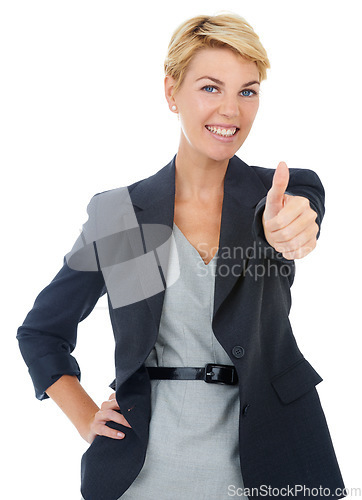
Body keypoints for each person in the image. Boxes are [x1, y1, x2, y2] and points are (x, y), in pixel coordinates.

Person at [17, 13, 346, 500]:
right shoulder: (124, 216)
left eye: (248, 91)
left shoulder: (278, 194)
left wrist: (291, 229)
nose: (231, 111)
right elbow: (42, 332)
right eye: (211, 88)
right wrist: (84, 415)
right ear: (171, 92)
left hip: (273, 461)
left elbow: (295, 217)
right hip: (147, 468)